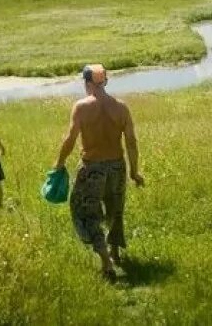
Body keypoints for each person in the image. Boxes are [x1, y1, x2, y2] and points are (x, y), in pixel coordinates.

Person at [54, 63, 144, 280]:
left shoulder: (81, 107)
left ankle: (106, 259)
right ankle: (115, 252)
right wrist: (134, 172)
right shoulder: (121, 108)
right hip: (117, 167)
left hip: (92, 168)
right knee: (115, 210)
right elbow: (131, 141)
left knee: (86, 212)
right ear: (104, 82)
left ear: (87, 83)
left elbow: (70, 138)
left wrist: (59, 163)